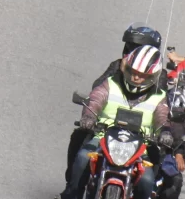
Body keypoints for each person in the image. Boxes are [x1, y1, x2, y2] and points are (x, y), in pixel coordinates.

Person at [60, 45, 171, 199]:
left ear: (153, 76)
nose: (136, 78)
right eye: (133, 72)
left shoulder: (159, 97)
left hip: (140, 149)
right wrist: (89, 117)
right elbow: (96, 99)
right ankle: (73, 195)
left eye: (142, 75)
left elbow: (162, 118)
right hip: (102, 138)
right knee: (83, 158)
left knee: (147, 179)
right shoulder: (111, 83)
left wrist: (165, 133)